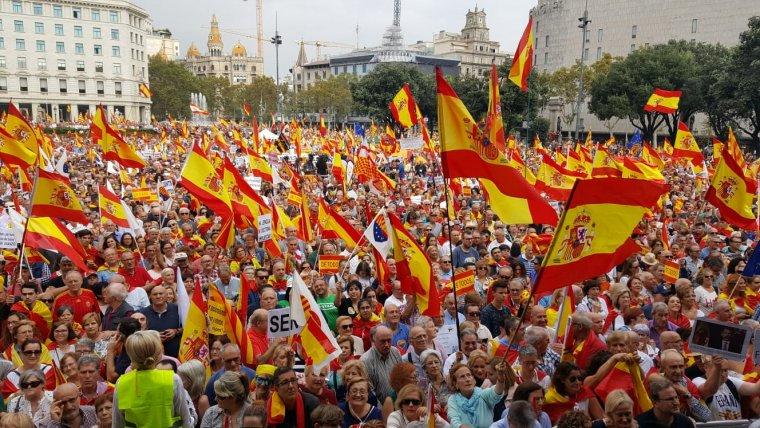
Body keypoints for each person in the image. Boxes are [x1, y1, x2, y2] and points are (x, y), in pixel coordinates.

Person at [112, 330, 194, 427]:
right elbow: (185, 419)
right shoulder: (172, 379)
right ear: (158, 353)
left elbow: (117, 423)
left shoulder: (121, 383)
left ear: (131, 356)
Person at [446, 360, 514, 428]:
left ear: (474, 379)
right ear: (455, 383)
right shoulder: (453, 400)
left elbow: (496, 392)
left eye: (469, 375)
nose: (467, 379)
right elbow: (453, 419)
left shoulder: (483, 394)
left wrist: (501, 378)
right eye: (462, 377)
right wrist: (460, 426)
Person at [360, 325, 402, 403]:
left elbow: (402, 378)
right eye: (382, 341)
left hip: (398, 403)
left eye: (389, 340)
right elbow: (370, 391)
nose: (386, 345)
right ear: (373, 340)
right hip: (379, 407)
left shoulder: (395, 352)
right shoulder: (365, 360)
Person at [140, 285, 182, 358]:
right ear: (150, 297)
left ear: (166, 296)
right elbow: (139, 333)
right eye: (155, 294)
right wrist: (153, 335)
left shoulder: (178, 309)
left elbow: (187, 327)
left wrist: (176, 331)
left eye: (161, 293)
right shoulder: (143, 313)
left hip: (176, 355)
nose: (158, 296)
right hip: (152, 356)